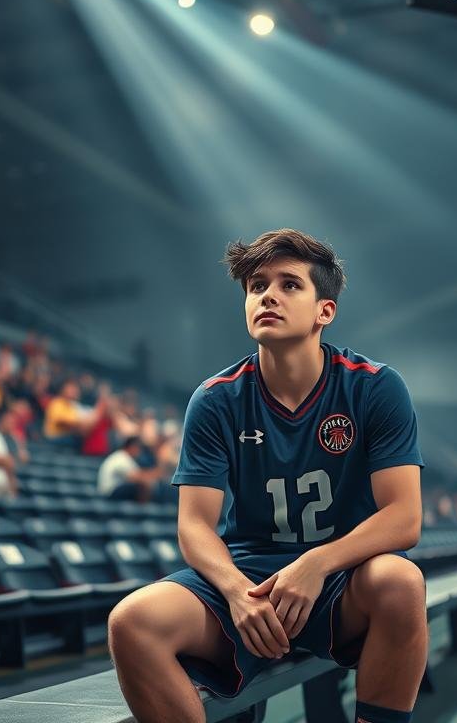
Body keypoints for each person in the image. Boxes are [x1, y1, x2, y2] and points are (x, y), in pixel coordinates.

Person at [108, 229, 427, 723]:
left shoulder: (375, 386)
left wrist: (316, 564)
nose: (268, 296)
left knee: (401, 581)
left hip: (341, 579)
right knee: (131, 622)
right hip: (251, 580)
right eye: (257, 286)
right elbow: (194, 525)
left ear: (325, 311)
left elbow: (404, 518)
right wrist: (236, 591)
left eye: (289, 284)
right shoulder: (214, 399)